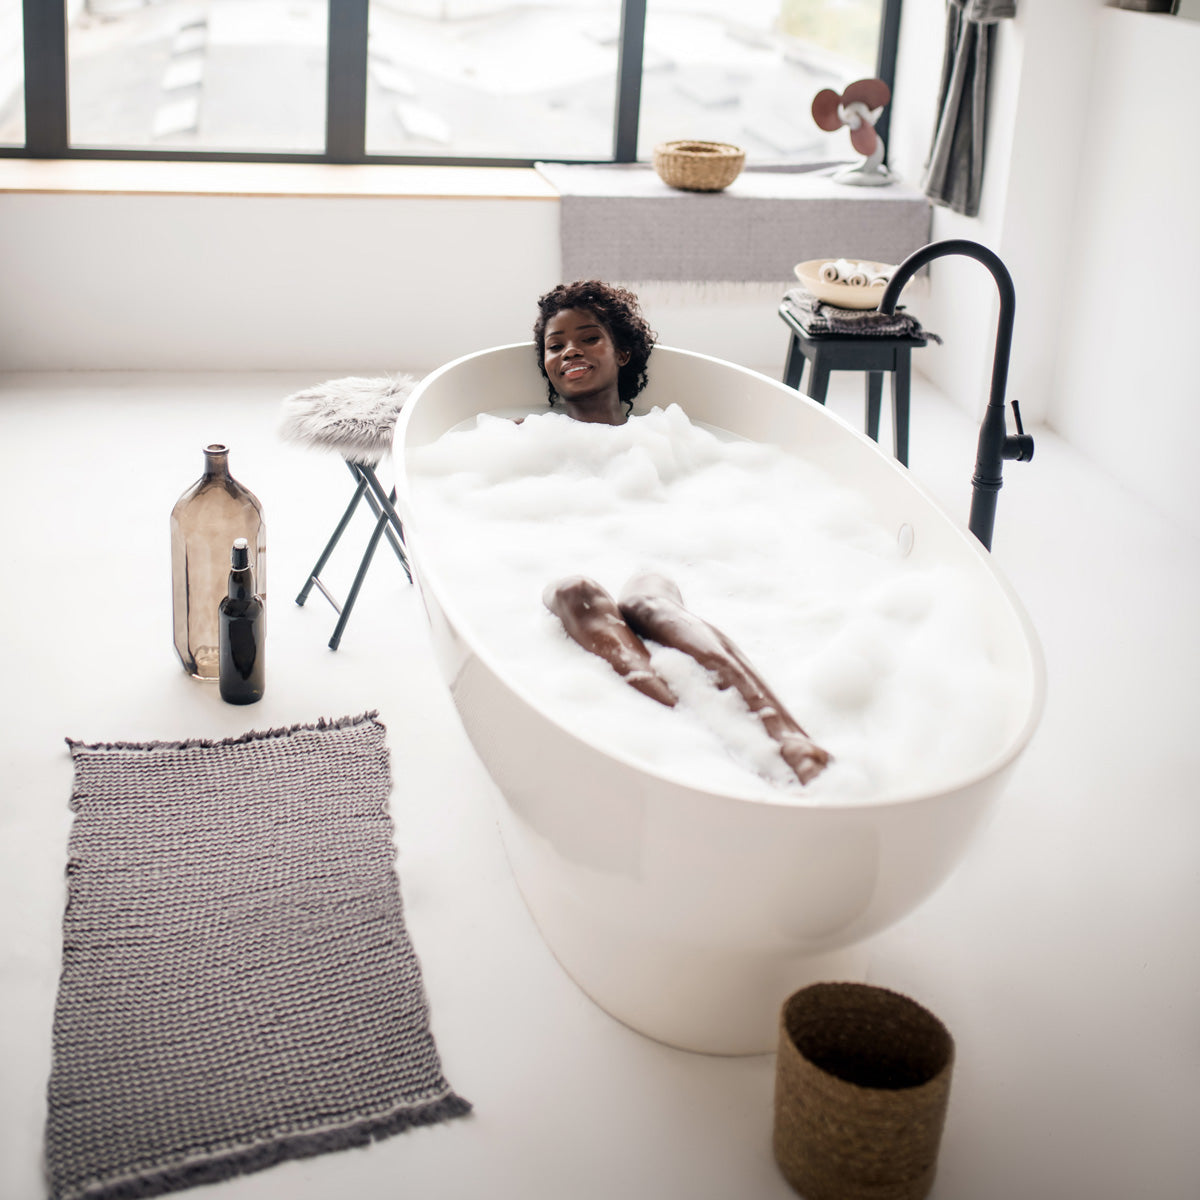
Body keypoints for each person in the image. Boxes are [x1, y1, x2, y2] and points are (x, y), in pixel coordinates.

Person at [533, 281, 831, 786]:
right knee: (572, 590)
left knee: (646, 599)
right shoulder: (524, 439)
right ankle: (707, 739)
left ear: (623, 353)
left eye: (588, 338)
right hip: (571, 551)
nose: (570, 352)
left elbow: (727, 509)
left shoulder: (670, 437)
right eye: (555, 345)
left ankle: (788, 738)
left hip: (669, 556)